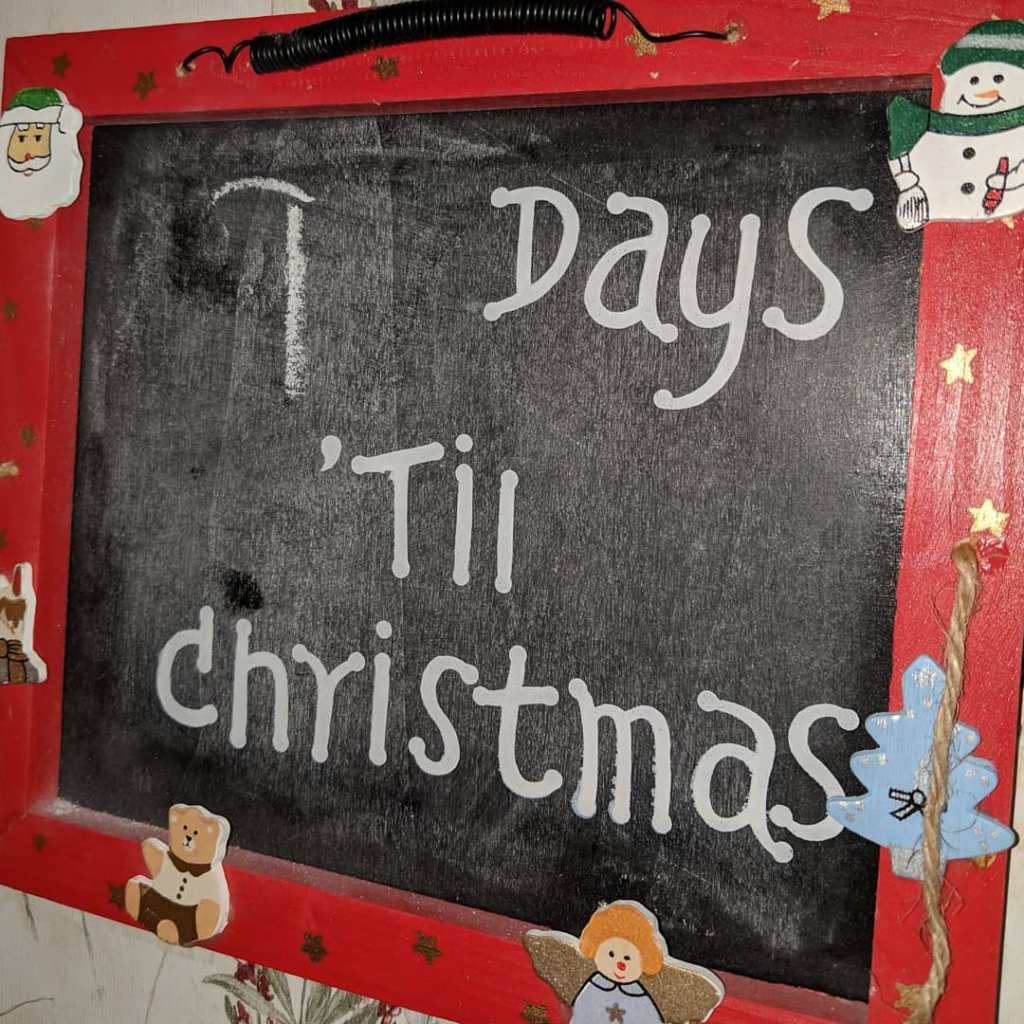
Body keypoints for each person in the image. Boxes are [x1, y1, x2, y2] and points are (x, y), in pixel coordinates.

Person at [570, 902, 665, 1024]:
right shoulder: (595, 986)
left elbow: (649, 1019)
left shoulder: (637, 995)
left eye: (627, 958)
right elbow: (581, 1013)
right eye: (611, 954)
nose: (620, 965)